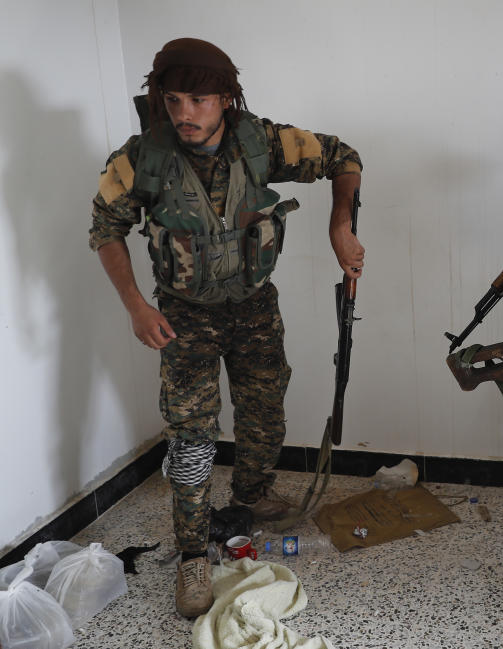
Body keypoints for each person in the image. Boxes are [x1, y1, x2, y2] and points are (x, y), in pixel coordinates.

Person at [88, 38, 363, 618]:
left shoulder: (261, 141)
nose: (184, 113)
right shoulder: (141, 157)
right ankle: (193, 552)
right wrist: (137, 305)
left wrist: (341, 224)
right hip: (182, 315)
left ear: (227, 99)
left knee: (265, 410)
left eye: (199, 99)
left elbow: (343, 156)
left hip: (255, 305)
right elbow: (106, 228)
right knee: (192, 435)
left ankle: (253, 493)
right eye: (172, 98)